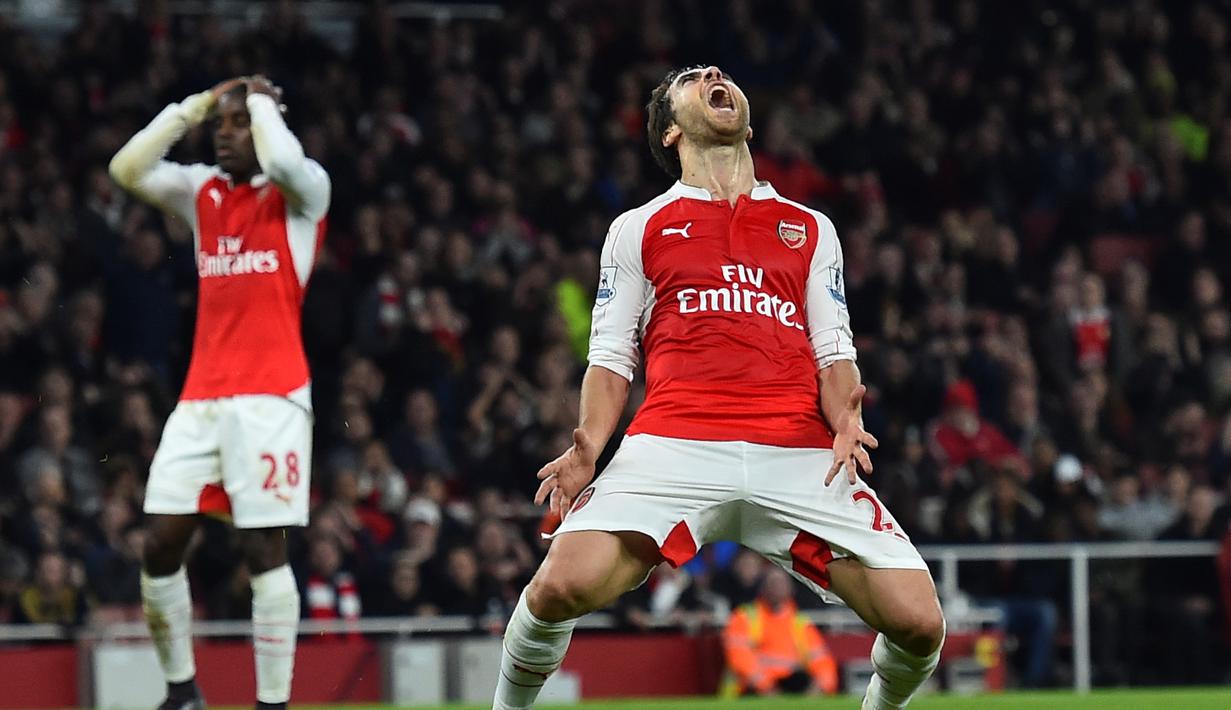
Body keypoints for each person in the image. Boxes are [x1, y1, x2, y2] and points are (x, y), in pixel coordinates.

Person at [491, 65, 944, 710]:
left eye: (716, 73)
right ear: (670, 131)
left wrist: (847, 417)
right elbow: (611, 357)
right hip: (674, 444)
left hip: (797, 453)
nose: (711, 72)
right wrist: (590, 442)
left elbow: (833, 352)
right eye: (689, 78)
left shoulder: (811, 228)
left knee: (922, 625)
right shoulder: (638, 228)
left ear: (749, 125)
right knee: (556, 589)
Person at [109, 75, 330, 710]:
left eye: (238, 124)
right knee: (159, 543)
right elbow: (126, 168)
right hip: (201, 398)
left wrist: (259, 101)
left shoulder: (303, 193)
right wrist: (193, 108)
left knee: (262, 549)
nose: (224, 135)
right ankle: (182, 691)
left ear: (265, 125)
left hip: (272, 399)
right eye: (220, 126)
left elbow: (283, 162)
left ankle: (272, 702)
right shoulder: (202, 191)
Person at [721, 567, 839, 697]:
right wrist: (767, 688)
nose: (778, 587)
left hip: (791, 688)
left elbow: (822, 661)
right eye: (773, 583)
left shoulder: (800, 623)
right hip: (749, 693)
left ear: (791, 588)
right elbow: (739, 658)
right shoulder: (744, 617)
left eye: (782, 583)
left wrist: (819, 687)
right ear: (762, 587)